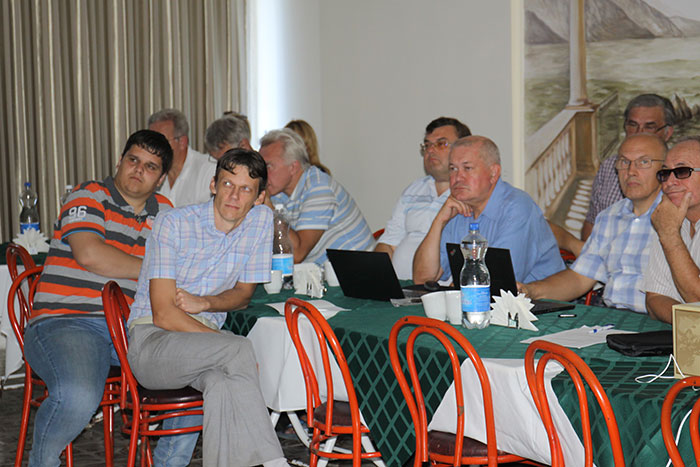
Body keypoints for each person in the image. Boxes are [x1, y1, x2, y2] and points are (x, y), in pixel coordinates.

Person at [126, 149, 289, 467]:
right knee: (239, 348)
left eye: (246, 189)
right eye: (228, 184)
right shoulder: (173, 223)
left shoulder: (260, 222)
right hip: (152, 342)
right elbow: (163, 313)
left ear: (259, 198)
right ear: (213, 185)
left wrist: (207, 303)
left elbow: (243, 294)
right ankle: (275, 462)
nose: (234, 196)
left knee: (222, 384)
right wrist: (226, 346)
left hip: (205, 348)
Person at [23, 130, 173, 467]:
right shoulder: (88, 195)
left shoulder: (166, 212)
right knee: (77, 396)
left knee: (198, 371)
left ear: (161, 179)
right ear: (119, 161)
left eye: (150, 166)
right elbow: (91, 254)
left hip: (134, 329)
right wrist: (155, 268)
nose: (138, 169)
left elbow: (183, 265)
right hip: (67, 322)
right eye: (133, 160)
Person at [519, 134, 666, 312]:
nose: (631, 171)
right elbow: (580, 278)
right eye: (624, 162)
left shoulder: (677, 218)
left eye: (643, 162)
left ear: (664, 169)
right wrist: (530, 290)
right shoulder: (609, 217)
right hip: (610, 316)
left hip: (657, 319)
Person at [413, 135, 564, 284]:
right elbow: (422, 278)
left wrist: (456, 287)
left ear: (493, 173)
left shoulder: (517, 207)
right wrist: (439, 221)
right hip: (482, 298)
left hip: (538, 299)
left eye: (467, 168)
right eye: (453, 169)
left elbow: (498, 280)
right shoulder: (456, 208)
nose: (457, 177)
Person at [375, 117, 471, 280]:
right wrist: (379, 278)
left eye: (441, 144)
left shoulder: (469, 192)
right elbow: (388, 243)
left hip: (438, 287)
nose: (431, 150)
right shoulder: (414, 189)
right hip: (398, 286)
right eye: (427, 145)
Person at [259, 128, 374, 264]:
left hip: (359, 271)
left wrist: (269, 208)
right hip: (326, 274)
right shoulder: (279, 194)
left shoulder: (319, 188)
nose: (262, 174)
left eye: (269, 166)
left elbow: (296, 254)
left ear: (293, 167)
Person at [582, 94, 675, 240]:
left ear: (667, 133)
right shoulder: (609, 166)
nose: (639, 132)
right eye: (632, 125)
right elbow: (592, 222)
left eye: (649, 127)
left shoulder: (678, 174)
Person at [644, 136, 700, 323]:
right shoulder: (669, 218)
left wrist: (670, 236)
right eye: (665, 173)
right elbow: (654, 300)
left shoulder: (667, 226)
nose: (669, 182)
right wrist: (689, 325)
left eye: (682, 171)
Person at [148, 108, 216, 207]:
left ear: (182, 142)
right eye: (151, 143)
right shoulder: (149, 171)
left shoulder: (208, 169)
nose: (154, 148)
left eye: (161, 141)